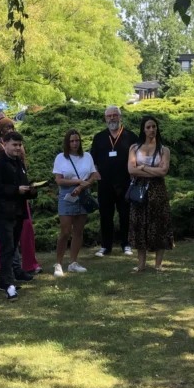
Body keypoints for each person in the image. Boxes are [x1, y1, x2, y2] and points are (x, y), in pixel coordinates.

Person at [0, 131, 37, 300]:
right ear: (4, 144)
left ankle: (4, 281)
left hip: (18, 212)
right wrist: (16, 190)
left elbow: (23, 186)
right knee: (7, 248)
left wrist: (31, 190)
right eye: (14, 145)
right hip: (2, 213)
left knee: (13, 247)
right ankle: (8, 283)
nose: (18, 148)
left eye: (19, 145)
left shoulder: (19, 163)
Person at [0, 117, 41, 275]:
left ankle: (27, 265)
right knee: (6, 240)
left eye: (11, 127)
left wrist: (30, 190)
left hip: (21, 201)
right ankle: (7, 272)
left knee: (25, 231)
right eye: (6, 129)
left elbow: (22, 173)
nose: (10, 130)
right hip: (6, 205)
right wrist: (16, 189)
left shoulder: (19, 155)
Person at [127, 116, 173, 273]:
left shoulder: (164, 150)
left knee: (159, 224)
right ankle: (141, 264)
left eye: (154, 126)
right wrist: (151, 170)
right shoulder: (134, 148)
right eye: (148, 127)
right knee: (140, 224)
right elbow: (131, 170)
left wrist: (143, 167)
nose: (152, 130)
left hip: (158, 191)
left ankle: (158, 264)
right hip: (139, 190)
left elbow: (163, 171)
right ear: (143, 129)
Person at [90, 106, 137, 258]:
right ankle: (105, 246)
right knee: (105, 216)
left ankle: (126, 244)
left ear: (120, 117)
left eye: (114, 115)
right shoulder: (99, 137)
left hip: (125, 183)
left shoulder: (131, 136)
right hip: (105, 184)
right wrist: (95, 173)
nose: (111, 118)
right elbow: (93, 160)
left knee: (125, 215)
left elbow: (138, 158)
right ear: (105, 118)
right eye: (109, 116)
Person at [52, 129, 99, 277]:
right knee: (65, 232)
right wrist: (78, 181)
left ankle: (73, 262)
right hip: (67, 194)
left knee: (79, 231)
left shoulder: (87, 157)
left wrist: (84, 185)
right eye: (71, 141)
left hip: (83, 194)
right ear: (67, 142)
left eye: (77, 140)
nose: (74, 143)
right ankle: (58, 263)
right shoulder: (61, 158)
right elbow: (59, 180)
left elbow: (93, 175)